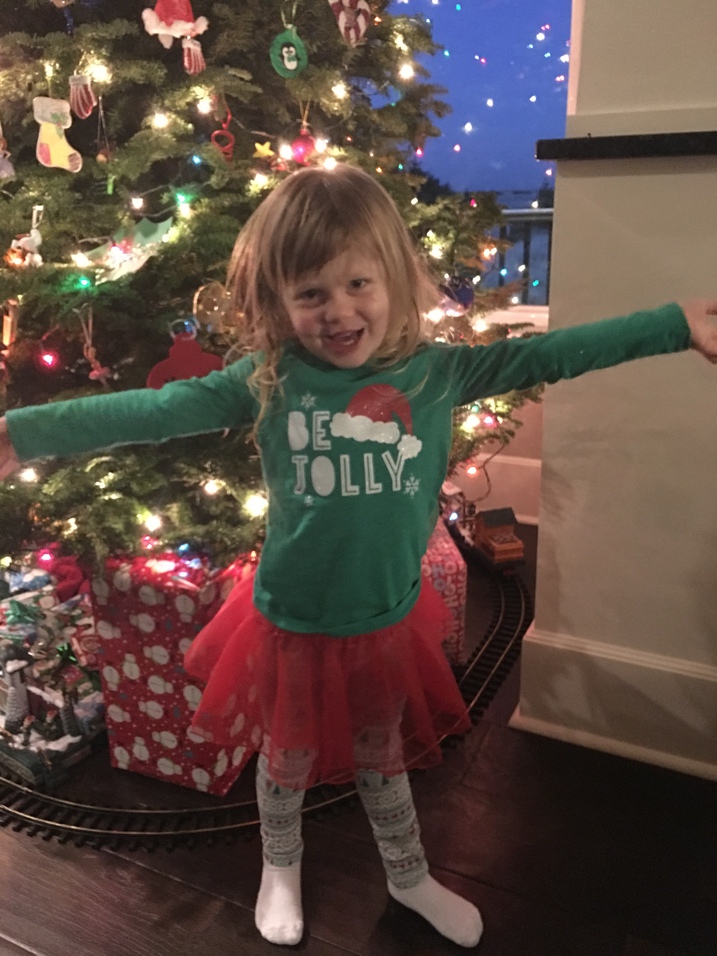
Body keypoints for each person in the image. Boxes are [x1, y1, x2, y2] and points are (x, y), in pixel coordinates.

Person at [0, 165, 715, 949]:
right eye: (311, 295)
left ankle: (407, 876)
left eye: (356, 285)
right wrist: (20, 433)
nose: (338, 312)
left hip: (385, 618)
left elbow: (555, 352)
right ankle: (281, 864)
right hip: (291, 621)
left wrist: (673, 323)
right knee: (286, 759)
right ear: (279, 302)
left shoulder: (440, 373)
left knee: (384, 758)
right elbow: (153, 409)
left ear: (396, 281)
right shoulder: (270, 379)